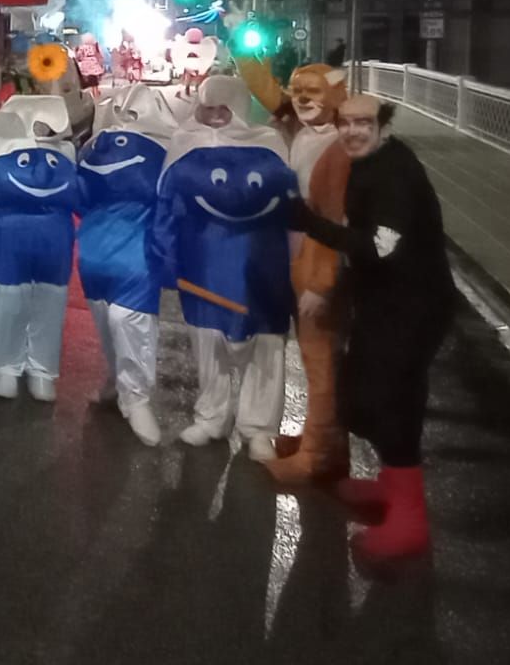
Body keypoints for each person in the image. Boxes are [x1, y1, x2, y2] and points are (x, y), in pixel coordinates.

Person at [288, 96, 454, 564]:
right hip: (383, 303)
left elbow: (380, 249)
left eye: (364, 123)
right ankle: (390, 484)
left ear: (382, 126)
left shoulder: (394, 175)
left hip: (415, 307)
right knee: (361, 399)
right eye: (346, 123)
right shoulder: (367, 162)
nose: (353, 131)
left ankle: (409, 518)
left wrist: (310, 225)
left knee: (394, 402)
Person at [154, 75, 295, 461]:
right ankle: (212, 417)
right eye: (209, 108)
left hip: (263, 265)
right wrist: (165, 258)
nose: (216, 117)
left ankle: (259, 430)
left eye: (224, 108)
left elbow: (294, 207)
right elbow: (165, 207)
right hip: (203, 265)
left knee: (265, 348)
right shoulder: (183, 143)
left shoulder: (269, 143)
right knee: (209, 342)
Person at [237, 60, 352, 484]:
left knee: (320, 359)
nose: (302, 98)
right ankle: (317, 439)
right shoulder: (299, 127)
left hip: (319, 260)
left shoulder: (341, 145)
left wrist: (322, 283)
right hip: (288, 252)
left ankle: (320, 454)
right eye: (298, 89)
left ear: (335, 96)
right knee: (308, 354)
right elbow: (272, 94)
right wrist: (243, 42)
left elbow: (337, 222)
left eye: (314, 91)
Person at [76, 85, 173, 445]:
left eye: (135, 113)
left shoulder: (165, 151)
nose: (126, 119)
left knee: (129, 321)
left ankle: (137, 397)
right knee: (105, 319)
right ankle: (118, 378)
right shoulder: (93, 147)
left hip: (138, 249)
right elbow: (80, 192)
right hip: (96, 248)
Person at [0, 99, 78, 401]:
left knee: (49, 306)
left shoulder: (66, 153)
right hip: (9, 241)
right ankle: (7, 368)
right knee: (6, 305)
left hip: (54, 244)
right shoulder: (3, 150)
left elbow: (80, 194)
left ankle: (42, 370)